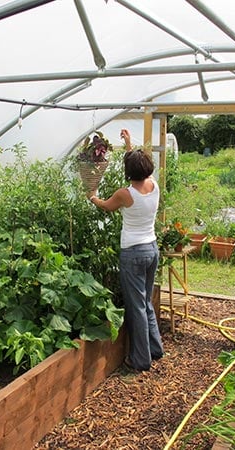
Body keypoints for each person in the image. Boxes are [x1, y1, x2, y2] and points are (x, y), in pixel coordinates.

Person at [87, 129, 164, 371]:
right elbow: (137, 165)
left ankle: (140, 360)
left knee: (137, 307)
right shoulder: (154, 185)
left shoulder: (124, 194)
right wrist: (129, 145)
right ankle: (155, 349)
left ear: (128, 172)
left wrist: (92, 197)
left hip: (133, 253)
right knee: (146, 302)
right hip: (151, 249)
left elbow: (106, 206)